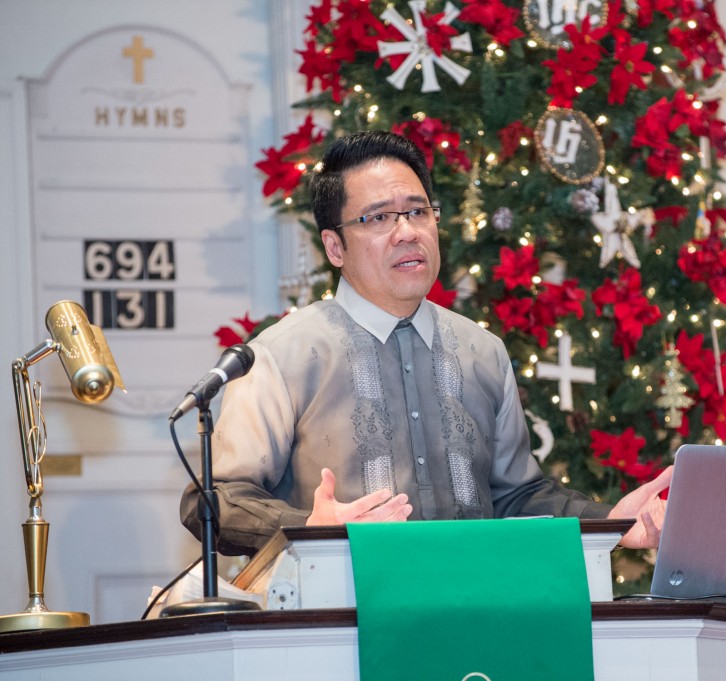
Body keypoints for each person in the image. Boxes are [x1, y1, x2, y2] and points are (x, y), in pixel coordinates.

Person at [181, 130, 670, 556]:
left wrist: (614, 522)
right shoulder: (279, 356)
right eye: (378, 218)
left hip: (475, 608)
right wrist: (307, 528)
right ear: (334, 246)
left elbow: (516, 497)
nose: (407, 232)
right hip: (340, 618)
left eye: (418, 212)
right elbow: (213, 499)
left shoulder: (483, 351)